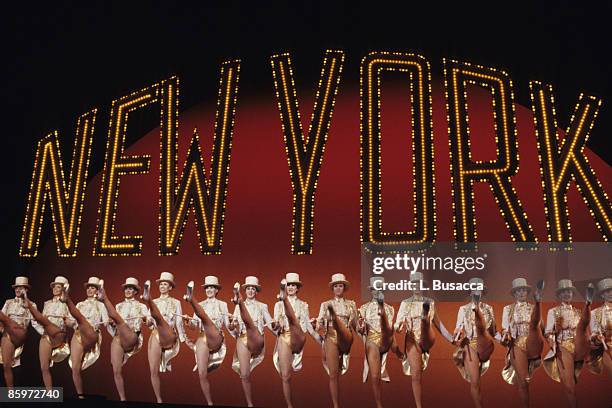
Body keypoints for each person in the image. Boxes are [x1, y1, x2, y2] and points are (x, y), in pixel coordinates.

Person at [395, 272, 447, 408]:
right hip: (412, 339)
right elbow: (397, 324)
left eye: (419, 283)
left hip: (426, 338)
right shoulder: (405, 303)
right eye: (414, 283)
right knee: (416, 375)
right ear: (410, 285)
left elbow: (438, 323)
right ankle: (419, 406)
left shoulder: (430, 302)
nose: (416, 286)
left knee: (426, 326)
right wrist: (399, 327)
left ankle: (424, 318)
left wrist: (451, 338)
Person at [272, 272, 321, 408]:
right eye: (288, 285)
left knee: (294, 323)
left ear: (297, 288)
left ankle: (285, 300)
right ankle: (289, 405)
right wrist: (276, 325)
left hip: (298, 336)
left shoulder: (303, 305)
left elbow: (309, 328)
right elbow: (276, 328)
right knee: (286, 376)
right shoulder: (277, 306)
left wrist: (322, 342)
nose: (291, 287)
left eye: (293, 285)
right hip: (284, 337)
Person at [97, 277, 149, 401]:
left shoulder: (141, 306)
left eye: (130, 288)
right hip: (118, 337)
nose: (128, 290)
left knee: (119, 320)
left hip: (132, 337)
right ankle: (122, 399)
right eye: (126, 288)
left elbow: (150, 321)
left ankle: (104, 299)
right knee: (116, 370)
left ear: (136, 291)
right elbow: (114, 326)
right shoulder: (119, 306)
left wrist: (146, 319)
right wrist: (110, 323)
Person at [183, 275, 230, 406]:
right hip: (203, 337)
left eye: (212, 287)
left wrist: (235, 327)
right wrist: (188, 322)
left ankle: (190, 299)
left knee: (204, 318)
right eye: (207, 287)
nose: (209, 289)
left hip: (217, 337)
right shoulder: (201, 305)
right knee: (202, 373)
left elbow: (227, 325)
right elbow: (195, 326)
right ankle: (209, 403)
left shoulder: (223, 304)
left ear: (216, 290)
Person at [228, 276, 273, 408]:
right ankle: (249, 403)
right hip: (243, 338)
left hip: (257, 338)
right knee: (244, 374)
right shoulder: (236, 309)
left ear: (256, 291)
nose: (251, 291)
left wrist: (278, 329)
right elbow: (233, 326)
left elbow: (270, 323)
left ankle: (238, 299)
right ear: (245, 290)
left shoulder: (262, 306)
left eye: (253, 289)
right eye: (248, 288)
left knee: (250, 326)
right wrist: (232, 324)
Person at [357, 277, 403, 408]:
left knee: (388, 330)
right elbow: (362, 330)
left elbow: (390, 334)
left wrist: (395, 346)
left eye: (380, 289)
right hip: (372, 340)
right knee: (375, 376)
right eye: (375, 289)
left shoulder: (390, 309)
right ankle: (379, 405)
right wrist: (361, 327)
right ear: (371, 291)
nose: (377, 291)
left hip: (386, 337)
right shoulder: (364, 308)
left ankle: (381, 312)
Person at [500, 278, 545, 408]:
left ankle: (539, 301)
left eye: (524, 290)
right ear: (514, 294)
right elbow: (504, 328)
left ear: (527, 292)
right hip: (517, 342)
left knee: (533, 326)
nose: (521, 292)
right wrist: (505, 335)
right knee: (524, 382)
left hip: (533, 340)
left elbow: (542, 327)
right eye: (518, 290)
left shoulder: (532, 308)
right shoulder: (508, 309)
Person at [141, 272, 186, 403]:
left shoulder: (176, 302)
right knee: (153, 370)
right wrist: (146, 321)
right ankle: (159, 400)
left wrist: (184, 339)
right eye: (161, 284)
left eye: (165, 284)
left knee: (160, 320)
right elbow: (149, 324)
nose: (162, 286)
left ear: (170, 287)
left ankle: (146, 297)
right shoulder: (155, 303)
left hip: (169, 334)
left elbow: (178, 323)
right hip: (156, 334)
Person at [452, 277, 496, 408]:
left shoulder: (489, 309)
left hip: (485, 344)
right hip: (470, 344)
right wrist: (457, 335)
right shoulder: (463, 309)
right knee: (475, 382)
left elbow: (494, 331)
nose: (477, 291)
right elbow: (458, 327)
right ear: (470, 292)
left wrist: (505, 339)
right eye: (474, 288)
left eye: (479, 289)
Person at [316, 273, 357, 408]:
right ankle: (335, 405)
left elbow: (356, 325)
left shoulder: (351, 304)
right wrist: (317, 326)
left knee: (343, 330)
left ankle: (335, 318)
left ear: (344, 288)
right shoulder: (325, 304)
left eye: (340, 286)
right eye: (336, 286)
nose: (338, 288)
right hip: (331, 336)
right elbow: (319, 324)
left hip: (346, 336)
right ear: (332, 289)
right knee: (333, 374)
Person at [23, 276, 71, 389]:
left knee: (43, 320)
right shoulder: (47, 303)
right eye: (54, 286)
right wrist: (43, 332)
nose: (55, 288)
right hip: (47, 334)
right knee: (44, 367)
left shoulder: (67, 304)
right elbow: (38, 323)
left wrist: (67, 322)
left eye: (58, 286)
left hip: (58, 333)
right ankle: (50, 393)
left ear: (63, 289)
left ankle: (30, 307)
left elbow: (73, 321)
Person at [542, 279, 584, 408]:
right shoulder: (553, 311)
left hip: (578, 348)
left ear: (572, 294)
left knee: (577, 384)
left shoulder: (578, 312)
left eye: (569, 292)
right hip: (563, 346)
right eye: (564, 292)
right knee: (569, 386)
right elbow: (548, 332)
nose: (567, 294)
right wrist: (552, 340)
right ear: (559, 295)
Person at [64, 276, 109, 397]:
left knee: (81, 319)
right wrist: (67, 321)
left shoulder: (100, 305)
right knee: (75, 367)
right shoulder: (80, 304)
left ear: (97, 291)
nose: (89, 289)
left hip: (91, 334)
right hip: (79, 333)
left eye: (93, 288)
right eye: (88, 287)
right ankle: (80, 395)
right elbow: (71, 322)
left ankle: (67, 299)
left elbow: (105, 321)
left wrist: (110, 321)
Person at [0, 277, 35, 388]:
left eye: (20, 288)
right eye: (16, 288)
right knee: (6, 365)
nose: (17, 290)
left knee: (6, 319)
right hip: (9, 333)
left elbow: (35, 323)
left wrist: (45, 332)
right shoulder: (8, 302)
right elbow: (2, 320)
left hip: (20, 333)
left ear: (26, 289)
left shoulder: (31, 305)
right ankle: (11, 391)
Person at [588, 277, 612, 377]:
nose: (611, 293)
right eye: (607, 291)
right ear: (602, 295)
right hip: (607, 349)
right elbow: (593, 334)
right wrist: (597, 338)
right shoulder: (595, 313)